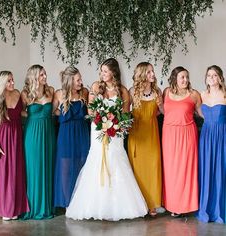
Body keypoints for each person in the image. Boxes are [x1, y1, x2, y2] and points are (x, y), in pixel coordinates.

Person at [66, 58, 148, 221]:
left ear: (113, 72)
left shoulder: (123, 91)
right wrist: (102, 122)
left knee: (115, 160)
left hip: (115, 134)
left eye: (105, 71)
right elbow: (90, 110)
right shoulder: (96, 87)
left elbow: (125, 114)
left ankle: (119, 205)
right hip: (98, 131)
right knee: (96, 160)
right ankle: (95, 204)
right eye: (101, 71)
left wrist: (116, 125)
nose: (102, 74)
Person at [162, 66, 201, 217]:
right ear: (175, 79)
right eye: (182, 77)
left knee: (186, 169)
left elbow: (203, 114)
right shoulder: (166, 92)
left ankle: (187, 205)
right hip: (169, 135)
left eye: (186, 77)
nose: (185, 80)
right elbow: (160, 110)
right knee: (171, 170)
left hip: (187, 134)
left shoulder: (194, 94)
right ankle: (173, 205)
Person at [0, 71, 29, 220]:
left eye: (12, 80)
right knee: (4, 174)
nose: (13, 83)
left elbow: (22, 113)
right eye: (9, 81)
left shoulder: (18, 94)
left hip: (18, 136)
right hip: (3, 138)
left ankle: (15, 208)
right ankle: (6, 209)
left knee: (16, 172)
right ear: (1, 84)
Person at [21, 64, 55, 220]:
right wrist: (31, 116)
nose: (45, 77)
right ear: (34, 77)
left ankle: (46, 207)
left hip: (48, 133)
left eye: (45, 74)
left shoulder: (51, 91)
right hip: (32, 134)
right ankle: (33, 207)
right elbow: (20, 111)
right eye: (42, 75)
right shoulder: (25, 94)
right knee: (34, 168)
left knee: (47, 167)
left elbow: (54, 110)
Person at [128, 62, 163, 216]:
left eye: (152, 71)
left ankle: (152, 204)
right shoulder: (132, 91)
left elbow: (162, 112)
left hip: (152, 134)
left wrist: (160, 106)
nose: (152, 74)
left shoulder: (157, 91)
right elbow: (124, 112)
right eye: (149, 72)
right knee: (139, 170)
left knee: (153, 167)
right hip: (137, 135)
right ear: (142, 74)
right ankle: (140, 204)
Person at [53, 66, 90, 208]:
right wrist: (63, 114)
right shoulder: (59, 94)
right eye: (78, 79)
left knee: (82, 166)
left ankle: (80, 202)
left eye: (80, 79)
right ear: (70, 81)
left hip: (82, 132)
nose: (81, 82)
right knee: (66, 167)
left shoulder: (84, 93)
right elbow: (52, 111)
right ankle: (68, 203)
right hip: (66, 134)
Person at [196, 65, 226, 223]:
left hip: (222, 135)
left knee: (221, 169)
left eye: (215, 75)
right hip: (207, 136)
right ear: (206, 78)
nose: (212, 78)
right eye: (209, 75)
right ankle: (206, 208)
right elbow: (199, 112)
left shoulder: (225, 94)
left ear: (220, 77)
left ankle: (220, 209)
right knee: (207, 169)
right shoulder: (202, 94)